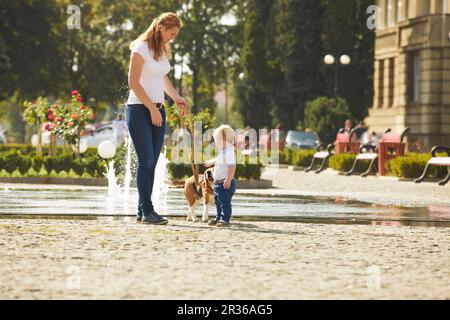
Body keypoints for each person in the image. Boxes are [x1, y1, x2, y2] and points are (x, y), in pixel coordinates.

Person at [126, 12, 187, 225]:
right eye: (171, 33)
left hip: (158, 110)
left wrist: (176, 97)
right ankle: (148, 210)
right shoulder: (140, 48)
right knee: (146, 160)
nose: (173, 38)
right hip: (139, 110)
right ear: (161, 28)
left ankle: (142, 211)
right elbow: (133, 82)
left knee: (152, 163)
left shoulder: (161, 49)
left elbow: (162, 77)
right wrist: (151, 108)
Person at [203, 125, 237, 227]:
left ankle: (225, 219)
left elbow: (232, 167)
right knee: (218, 202)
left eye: (217, 140)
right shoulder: (223, 151)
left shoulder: (230, 152)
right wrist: (210, 162)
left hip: (225, 183)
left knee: (224, 202)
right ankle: (219, 217)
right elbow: (218, 159)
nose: (216, 143)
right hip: (219, 183)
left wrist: (228, 179)